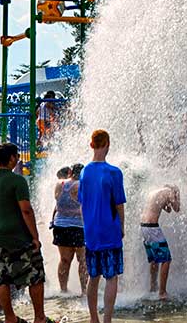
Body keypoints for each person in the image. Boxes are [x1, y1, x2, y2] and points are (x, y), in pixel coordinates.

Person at [0, 142, 48, 323]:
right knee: (35, 276)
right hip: (18, 238)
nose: (18, 159)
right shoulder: (17, 180)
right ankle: (39, 318)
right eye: (17, 156)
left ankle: (10, 317)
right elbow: (26, 210)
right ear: (11, 158)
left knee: (1, 278)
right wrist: (35, 237)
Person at [78, 130, 126, 323]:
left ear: (91, 145)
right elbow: (118, 204)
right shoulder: (114, 172)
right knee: (112, 277)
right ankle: (107, 319)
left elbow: (82, 203)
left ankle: (93, 319)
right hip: (110, 231)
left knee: (93, 275)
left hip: (91, 232)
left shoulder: (84, 171)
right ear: (107, 143)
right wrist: (121, 225)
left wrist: (87, 226)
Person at [52, 164, 88, 295]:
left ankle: (63, 290)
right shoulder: (81, 185)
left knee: (64, 260)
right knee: (83, 260)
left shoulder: (59, 184)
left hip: (60, 225)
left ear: (70, 171)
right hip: (79, 226)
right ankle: (84, 291)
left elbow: (57, 202)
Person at [140, 185, 179, 299]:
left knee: (154, 260)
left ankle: (153, 287)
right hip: (152, 228)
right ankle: (162, 292)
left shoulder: (155, 192)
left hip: (143, 227)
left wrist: (168, 203)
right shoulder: (169, 192)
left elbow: (167, 209)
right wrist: (177, 196)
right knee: (166, 259)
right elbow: (176, 209)